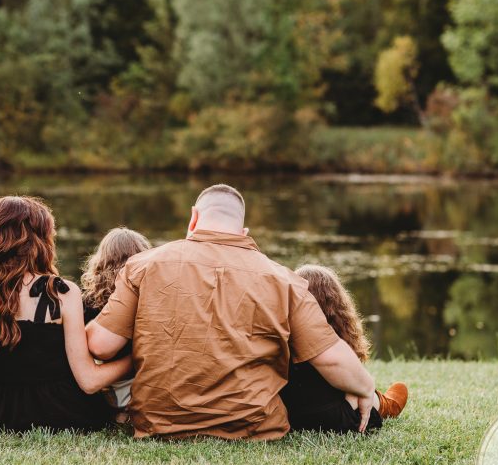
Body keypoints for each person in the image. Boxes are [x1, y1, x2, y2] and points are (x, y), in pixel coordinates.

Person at [86, 184, 379, 440]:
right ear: (243, 231)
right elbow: (330, 358)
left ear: (194, 218)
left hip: (159, 425)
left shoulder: (142, 266)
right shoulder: (283, 280)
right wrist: (367, 388)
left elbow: (101, 344)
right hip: (251, 428)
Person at [0, 196, 132, 448]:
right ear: (40, 240)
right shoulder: (62, 292)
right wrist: (134, 359)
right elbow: (88, 380)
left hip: (5, 416)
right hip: (69, 414)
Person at [280, 265, 408, 434]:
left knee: (350, 384)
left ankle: (380, 400)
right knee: (354, 386)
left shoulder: (282, 337)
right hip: (331, 417)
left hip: (292, 416)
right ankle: (384, 405)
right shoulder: (331, 349)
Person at [81, 227, 152, 410]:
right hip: (145, 378)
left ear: (100, 262)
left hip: (109, 380)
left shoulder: (87, 302)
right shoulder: (151, 299)